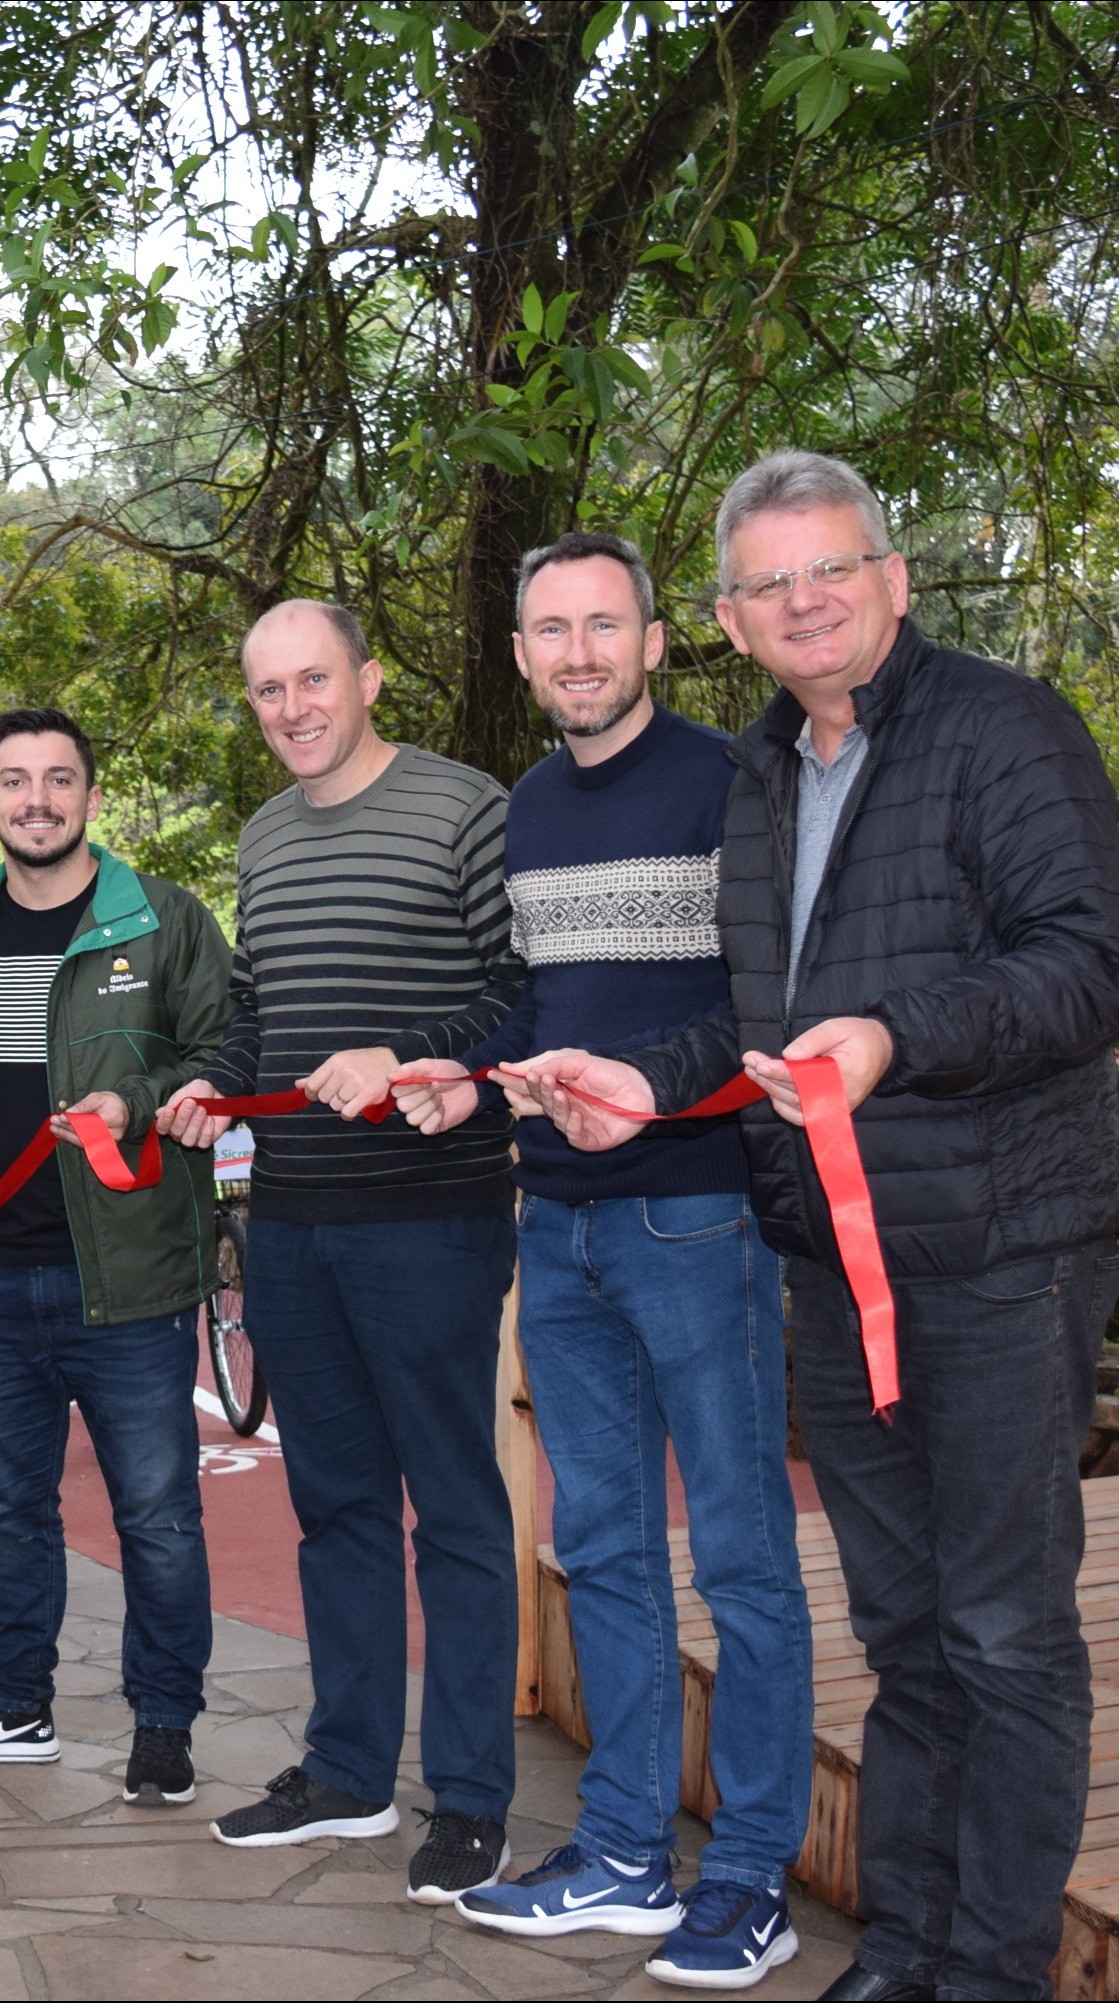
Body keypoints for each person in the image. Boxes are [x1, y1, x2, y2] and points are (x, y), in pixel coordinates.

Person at [518, 451, 1119, 2003]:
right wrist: (624, 1085)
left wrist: (889, 1036)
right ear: (725, 617)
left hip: (995, 1248)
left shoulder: (1001, 732)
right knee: (904, 1626)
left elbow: (1083, 967)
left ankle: (987, 1964)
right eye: (769, 582)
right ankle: (904, 1940)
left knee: (1001, 1630)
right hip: (827, 1264)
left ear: (891, 579)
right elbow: (747, 1023)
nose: (802, 601)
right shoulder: (764, 772)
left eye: (827, 569)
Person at [390, 533, 812, 1988]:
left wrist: (634, 1078)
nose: (575, 650)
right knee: (606, 1547)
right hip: (551, 1216)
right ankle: (626, 1853)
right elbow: (529, 995)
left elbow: (765, 1000)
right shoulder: (522, 809)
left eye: (601, 624)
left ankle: (747, 1874)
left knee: (745, 1558)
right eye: (548, 629)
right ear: (520, 656)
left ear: (651, 638)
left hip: (694, 1216)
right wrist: (462, 1070)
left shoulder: (728, 782)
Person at [157, 600, 525, 1904]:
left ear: (368, 674)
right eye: (265, 688)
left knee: (457, 1512)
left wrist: (419, 1058)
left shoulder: (465, 806)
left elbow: (518, 985)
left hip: (430, 1216)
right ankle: (350, 1769)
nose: (291, 705)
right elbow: (256, 1006)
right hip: (295, 1224)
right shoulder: (260, 835)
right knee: (334, 1507)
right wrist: (210, 1081)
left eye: (311, 677)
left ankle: (472, 1797)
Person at [0, 705, 238, 1808]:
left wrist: (137, 1098)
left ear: (89, 795)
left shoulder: (164, 919)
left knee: (158, 1512)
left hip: (124, 1276)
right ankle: (13, 1701)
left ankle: (164, 1718)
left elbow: (224, 1045)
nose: (36, 798)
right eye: (13, 780)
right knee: (9, 1507)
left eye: (58, 778)